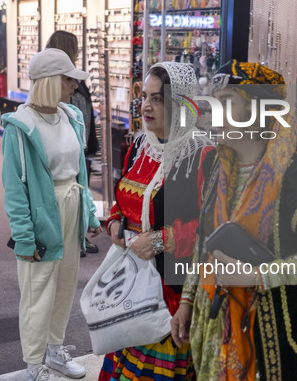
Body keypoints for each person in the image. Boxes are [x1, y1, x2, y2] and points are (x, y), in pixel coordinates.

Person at [171, 60, 297, 380]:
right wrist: (187, 300)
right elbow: (203, 242)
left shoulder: (294, 177)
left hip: (278, 334)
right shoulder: (216, 169)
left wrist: (257, 276)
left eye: (226, 102)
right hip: (218, 326)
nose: (213, 113)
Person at [98, 62, 213, 380]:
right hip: (130, 285)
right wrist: (113, 225)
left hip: (171, 291)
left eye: (158, 99)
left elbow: (212, 228)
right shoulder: (137, 145)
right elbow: (120, 204)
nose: (145, 106)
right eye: (144, 96)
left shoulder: (202, 155)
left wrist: (162, 239)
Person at [1, 48, 103, 381]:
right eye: (68, 79)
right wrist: (25, 237)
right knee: (37, 292)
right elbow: (14, 189)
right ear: (49, 82)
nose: (74, 86)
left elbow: (79, 175)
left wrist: (89, 214)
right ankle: (33, 365)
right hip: (42, 213)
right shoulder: (20, 126)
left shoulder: (71, 116)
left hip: (71, 206)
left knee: (65, 285)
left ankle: (55, 351)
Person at [46, 30, 100, 257]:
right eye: (76, 48)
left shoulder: (68, 78)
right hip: (73, 145)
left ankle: (78, 233)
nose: (79, 52)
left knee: (78, 187)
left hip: (77, 142)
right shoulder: (66, 83)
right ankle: (76, 236)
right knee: (73, 187)